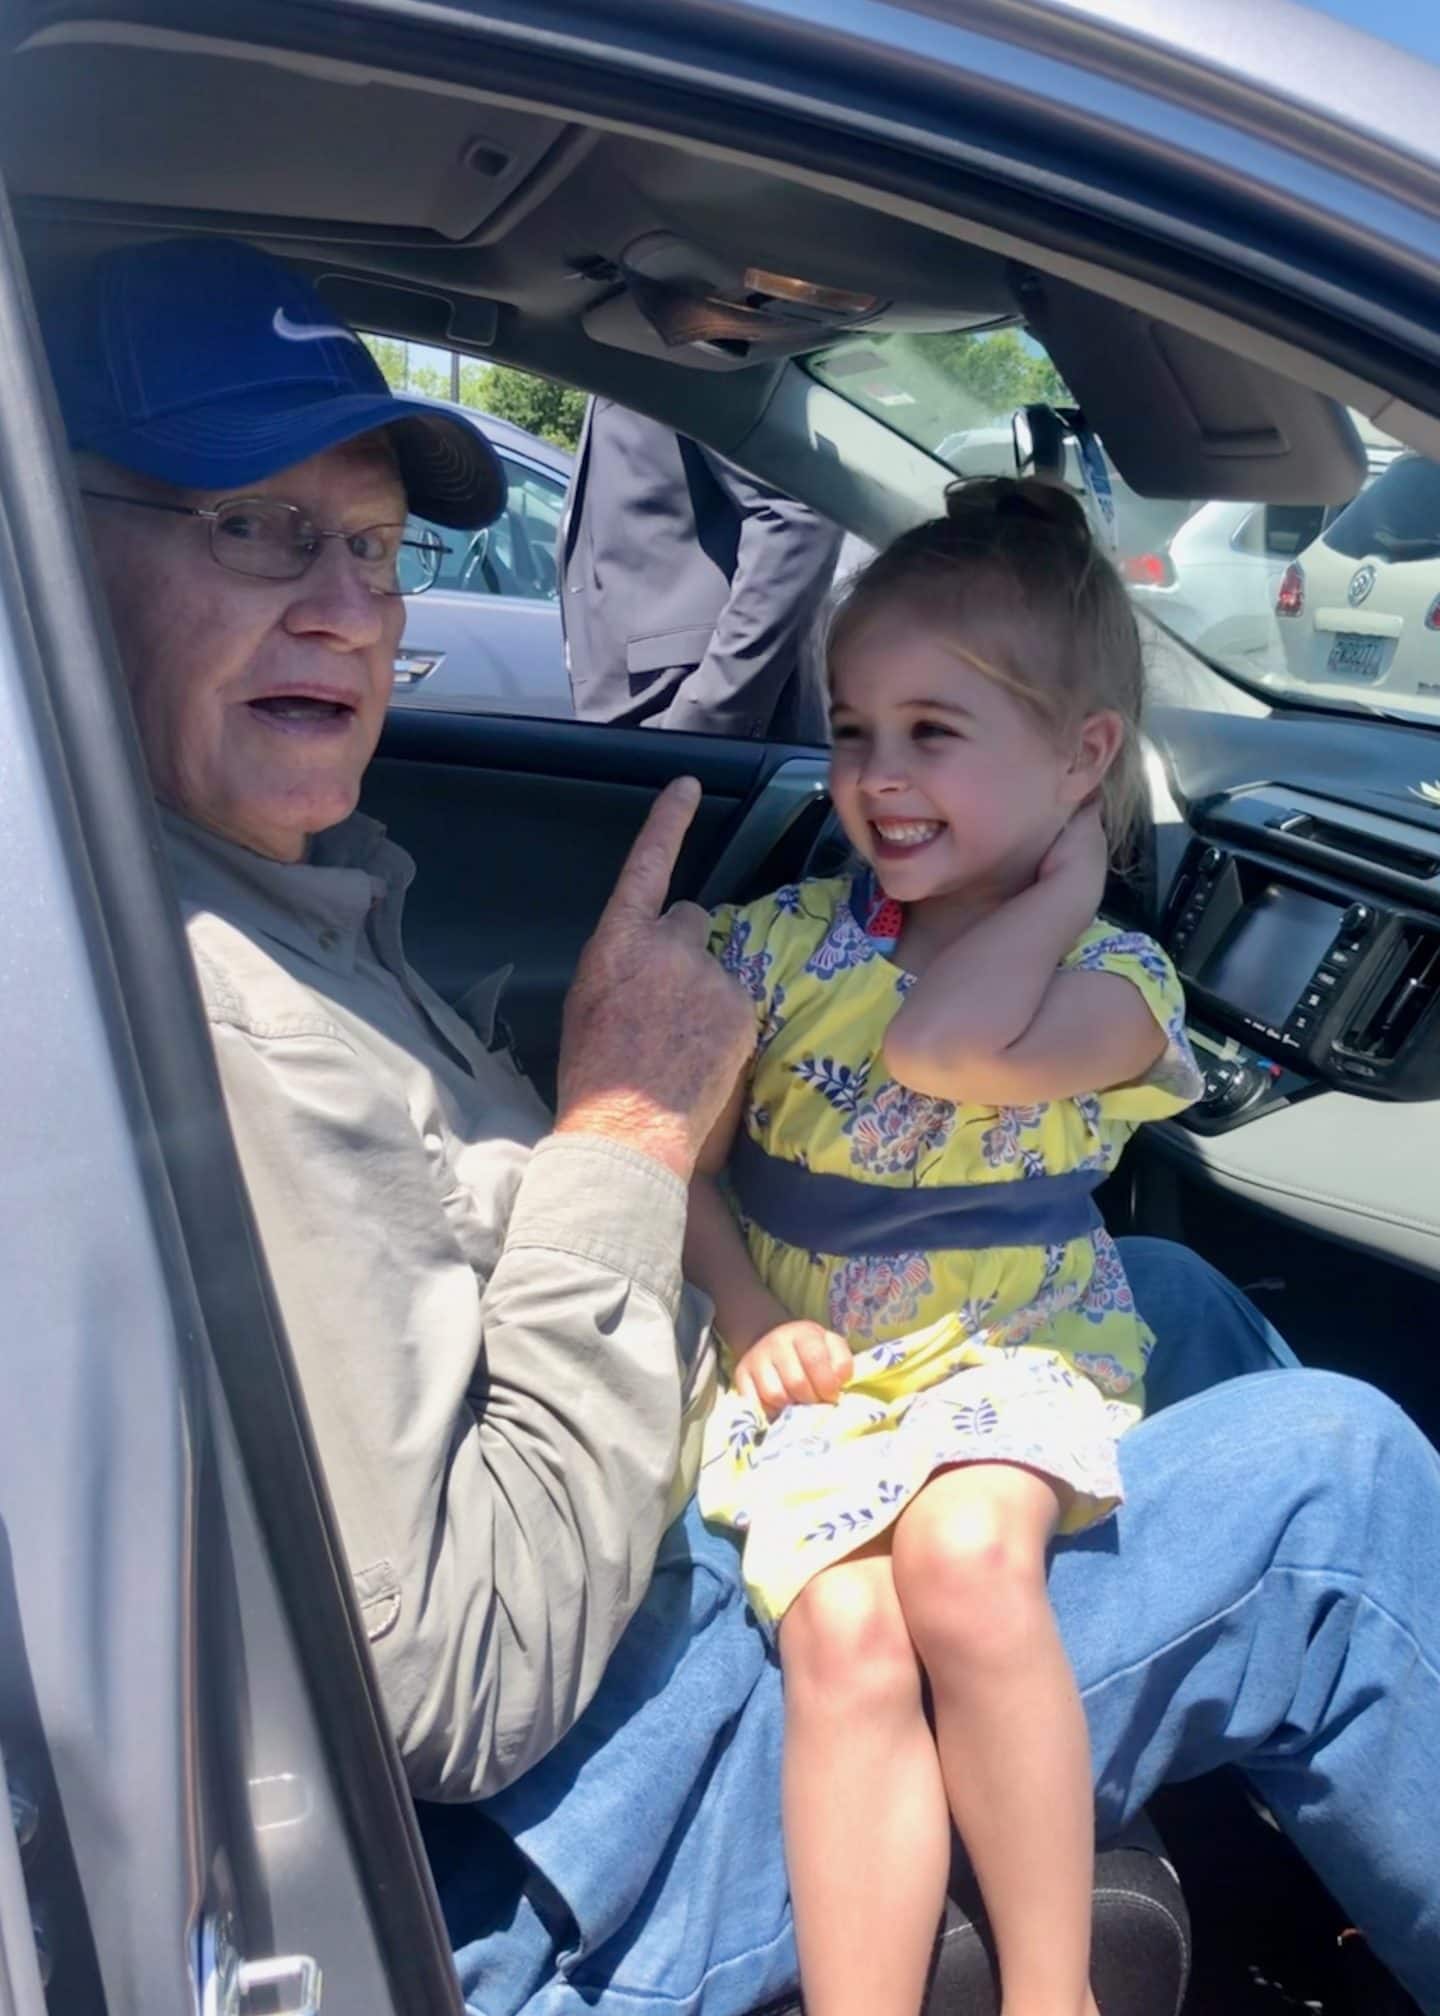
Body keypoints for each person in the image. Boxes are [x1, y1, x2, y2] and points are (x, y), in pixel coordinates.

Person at [39, 237, 1440, 2016]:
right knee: (1334, 1481)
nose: (346, 604)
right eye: (254, 524)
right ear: (53, 560)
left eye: (378, 545)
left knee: (1162, 1293)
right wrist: (626, 1125)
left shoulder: (265, 903)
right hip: (566, 1832)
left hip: (688, 1485)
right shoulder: (192, 1008)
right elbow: (463, 1686)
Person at [688, 478, 1203, 2016]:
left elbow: (944, 1052)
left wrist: (1068, 890)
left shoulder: (1121, 986)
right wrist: (733, 1314)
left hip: (1007, 1350)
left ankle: (1055, 1995)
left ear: (1082, 758)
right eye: (853, 730)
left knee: (969, 1562)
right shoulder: (768, 948)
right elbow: (691, 1174)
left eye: (935, 732)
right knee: (846, 1631)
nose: (878, 777)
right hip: (814, 1367)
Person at [561, 398, 843, 739]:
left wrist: (707, 719)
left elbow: (799, 513)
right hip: (647, 725)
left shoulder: (667, 349)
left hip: (684, 730)